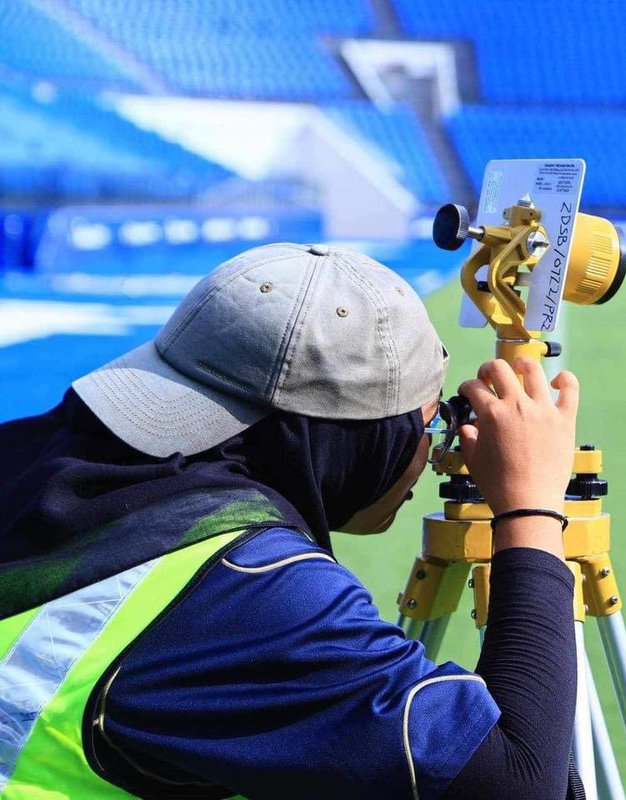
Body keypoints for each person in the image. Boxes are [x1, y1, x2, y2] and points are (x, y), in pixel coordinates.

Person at [0, 243, 582, 799]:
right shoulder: (248, 592)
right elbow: (519, 784)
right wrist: (530, 508)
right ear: (353, 440)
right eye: (428, 426)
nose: (435, 452)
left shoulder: (26, 454)